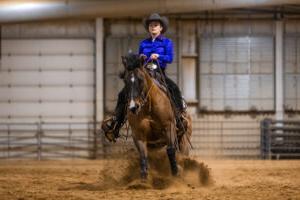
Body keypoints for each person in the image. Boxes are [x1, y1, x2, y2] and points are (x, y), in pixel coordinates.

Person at [102, 13, 187, 142]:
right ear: (148, 28)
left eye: (156, 25)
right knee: (123, 94)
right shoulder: (143, 43)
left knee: (174, 89)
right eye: (151, 25)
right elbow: (139, 61)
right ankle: (116, 124)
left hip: (159, 72)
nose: (153, 27)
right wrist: (140, 59)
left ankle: (179, 119)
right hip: (144, 73)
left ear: (161, 28)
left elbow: (170, 58)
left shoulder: (166, 42)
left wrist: (159, 57)